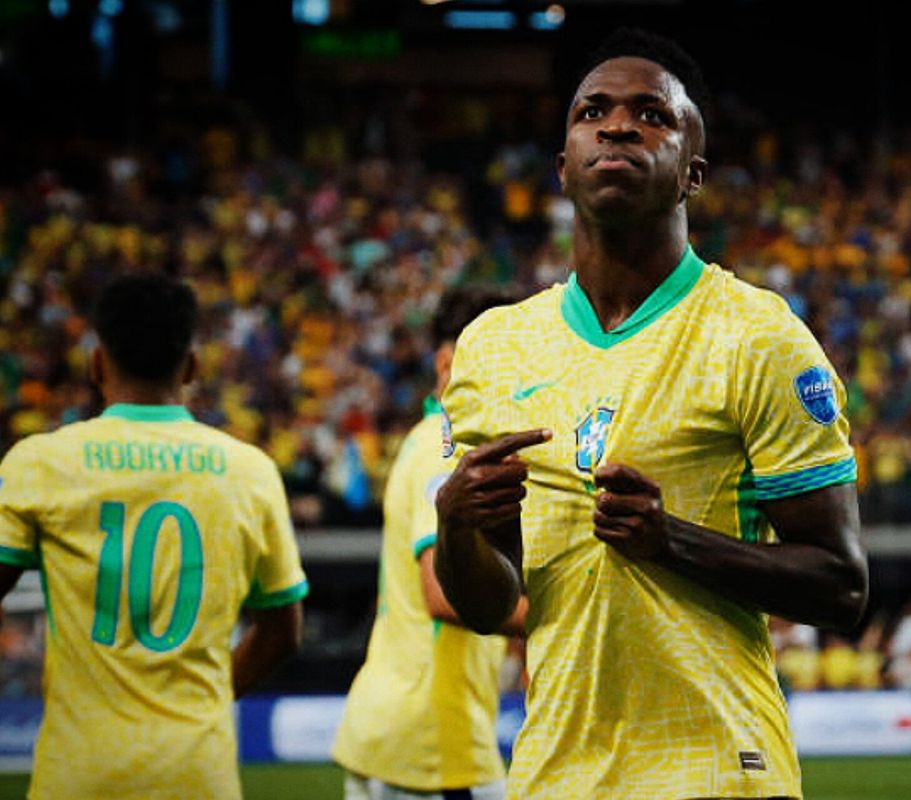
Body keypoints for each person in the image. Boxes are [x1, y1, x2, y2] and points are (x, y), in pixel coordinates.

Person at [434, 27, 867, 800]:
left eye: (652, 115)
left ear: (691, 175)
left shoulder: (759, 335)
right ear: (562, 166)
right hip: (555, 775)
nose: (619, 125)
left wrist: (675, 543)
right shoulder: (493, 348)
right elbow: (489, 603)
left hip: (718, 771)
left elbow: (842, 586)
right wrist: (456, 525)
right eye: (592, 111)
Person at [0, 273, 307, 800]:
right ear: (191, 366)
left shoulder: (40, 463)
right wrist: (208, 701)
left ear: (97, 362)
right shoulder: (249, 471)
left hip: (77, 778)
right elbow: (283, 632)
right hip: (197, 776)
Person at [332, 287, 526, 800]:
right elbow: (441, 594)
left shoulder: (424, 442)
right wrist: (568, 615)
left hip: (402, 731)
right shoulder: (448, 448)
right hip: (430, 744)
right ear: (446, 363)